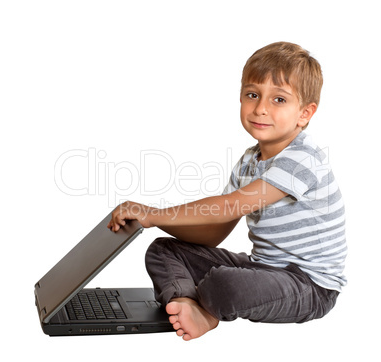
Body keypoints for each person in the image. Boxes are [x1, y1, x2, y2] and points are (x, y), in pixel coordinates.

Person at [108, 42, 347, 341]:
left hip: (310, 286)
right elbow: (213, 232)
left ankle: (208, 311)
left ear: (305, 113)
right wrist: (157, 222)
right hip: (264, 270)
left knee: (224, 283)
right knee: (163, 249)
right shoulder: (249, 161)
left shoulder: (303, 158)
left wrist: (153, 214)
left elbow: (229, 206)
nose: (261, 108)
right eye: (252, 95)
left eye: (279, 99)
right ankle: (185, 301)